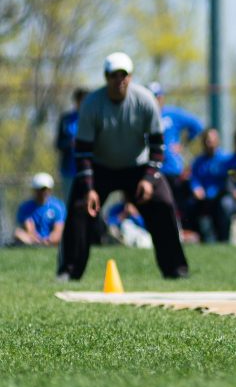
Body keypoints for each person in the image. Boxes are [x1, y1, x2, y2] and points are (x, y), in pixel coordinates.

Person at [57, 52, 189, 281]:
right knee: (79, 207)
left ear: (131, 77)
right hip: (100, 167)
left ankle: (175, 268)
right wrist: (89, 189)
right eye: (113, 76)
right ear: (106, 77)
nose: (119, 80)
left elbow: (158, 147)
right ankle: (69, 270)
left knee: (163, 203)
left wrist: (149, 180)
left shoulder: (145, 100)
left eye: (123, 75)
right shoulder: (91, 105)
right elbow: (83, 152)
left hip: (138, 167)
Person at [148, 82, 204, 220]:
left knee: (175, 201)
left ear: (162, 98)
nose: (154, 101)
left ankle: (179, 229)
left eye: (157, 97)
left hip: (171, 167)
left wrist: (183, 144)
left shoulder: (172, 113)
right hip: (150, 167)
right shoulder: (143, 115)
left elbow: (197, 125)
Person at [187, 128, 232, 242]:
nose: (210, 143)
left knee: (225, 205)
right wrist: (196, 188)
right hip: (203, 198)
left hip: (220, 196)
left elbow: (229, 180)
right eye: (207, 140)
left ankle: (224, 239)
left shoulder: (226, 159)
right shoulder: (198, 161)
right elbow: (194, 178)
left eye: (213, 140)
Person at [13, 173, 66, 247]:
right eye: (40, 190)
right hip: (34, 239)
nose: (43, 192)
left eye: (45, 189)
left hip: (51, 239)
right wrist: (36, 239)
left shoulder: (57, 206)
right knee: (18, 233)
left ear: (50, 190)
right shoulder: (25, 207)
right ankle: (36, 245)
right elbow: (29, 228)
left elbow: (58, 229)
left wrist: (48, 240)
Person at [55, 88, 88, 201]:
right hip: (69, 170)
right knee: (70, 203)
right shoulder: (66, 119)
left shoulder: (92, 118)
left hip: (88, 170)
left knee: (89, 202)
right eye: (80, 100)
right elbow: (59, 144)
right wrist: (70, 143)